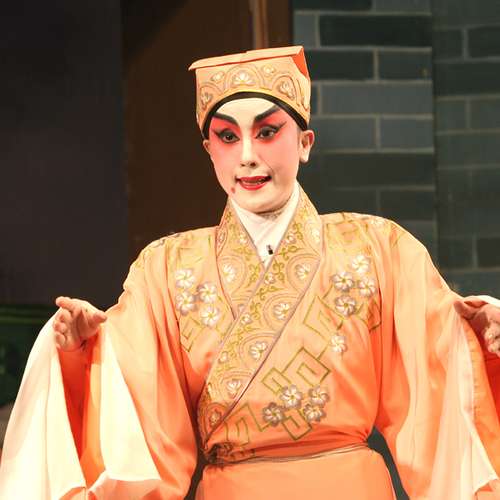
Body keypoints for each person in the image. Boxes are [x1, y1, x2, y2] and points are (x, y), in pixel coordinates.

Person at [1, 46, 500, 500]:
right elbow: (135, 399)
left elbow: (442, 363)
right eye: (227, 136)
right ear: (209, 150)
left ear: (304, 142)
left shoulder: (378, 248)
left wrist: (486, 340)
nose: (247, 156)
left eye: (267, 132)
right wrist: (82, 352)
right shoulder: (166, 267)